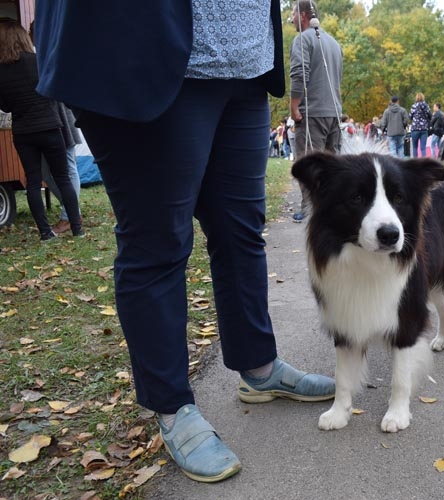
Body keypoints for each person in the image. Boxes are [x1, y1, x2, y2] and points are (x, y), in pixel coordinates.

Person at [34, 0, 335, 484]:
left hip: (245, 67)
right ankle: (171, 405)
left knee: (241, 232)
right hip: (148, 60)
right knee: (157, 243)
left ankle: (258, 366)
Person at [0, 21, 83, 240]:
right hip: (50, 126)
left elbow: (5, 106)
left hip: (24, 132)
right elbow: (55, 89)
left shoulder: (1, 71)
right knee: (64, 177)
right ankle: (77, 228)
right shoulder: (40, 62)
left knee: (34, 182)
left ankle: (45, 233)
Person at [289, 0, 343, 221]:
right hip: (334, 113)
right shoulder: (334, 43)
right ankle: (333, 209)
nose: (291, 19)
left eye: (292, 14)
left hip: (312, 113)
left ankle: (311, 210)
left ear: (303, 15)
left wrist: (294, 106)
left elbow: (299, 73)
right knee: (333, 167)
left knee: (309, 164)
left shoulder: (302, 39)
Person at [41, 102, 83, 234]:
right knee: (46, 173)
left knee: (69, 169)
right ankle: (73, 213)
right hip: (42, 121)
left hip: (61, 117)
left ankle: (68, 218)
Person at [409, 92, 431, 158]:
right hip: (424, 128)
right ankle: (424, 162)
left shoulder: (414, 106)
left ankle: (415, 162)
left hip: (415, 128)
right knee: (423, 147)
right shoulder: (426, 106)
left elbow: (410, 116)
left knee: (415, 147)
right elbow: (430, 115)